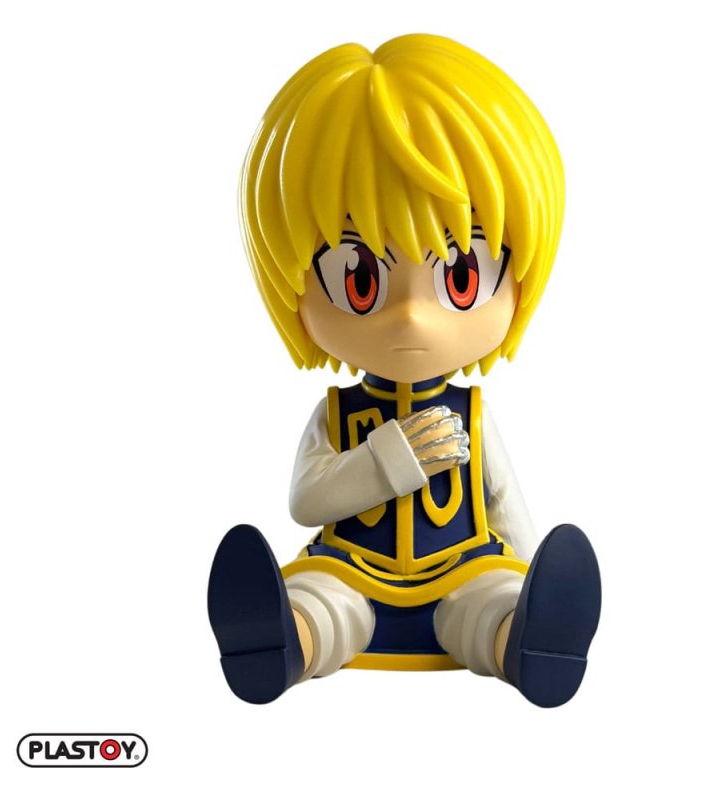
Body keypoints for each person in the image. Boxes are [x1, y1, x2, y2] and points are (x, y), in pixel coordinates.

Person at [208, 34, 601, 708]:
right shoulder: (338, 415)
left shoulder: (472, 415)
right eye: (360, 279)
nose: (413, 318)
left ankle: (527, 639)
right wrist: (381, 462)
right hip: (352, 569)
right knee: (320, 600)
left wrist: (534, 570)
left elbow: (504, 504)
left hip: (461, 569)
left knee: (491, 602)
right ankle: (284, 643)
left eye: (460, 274)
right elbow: (305, 501)